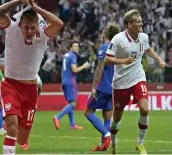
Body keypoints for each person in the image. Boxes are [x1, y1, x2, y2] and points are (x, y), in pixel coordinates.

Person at [0, 0, 63, 154]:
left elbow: (59, 24)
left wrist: (36, 8)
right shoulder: (11, 29)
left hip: (31, 91)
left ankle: (18, 134)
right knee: (12, 127)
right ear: (20, 25)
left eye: (33, 27)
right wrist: (19, 1)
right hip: (10, 85)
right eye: (26, 27)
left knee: (22, 139)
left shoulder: (44, 34)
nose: (29, 31)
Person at [105, 9, 166, 154]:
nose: (142, 23)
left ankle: (140, 143)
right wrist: (122, 61)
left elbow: (148, 49)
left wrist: (159, 59)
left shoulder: (143, 37)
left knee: (145, 109)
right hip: (120, 82)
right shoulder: (118, 39)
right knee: (118, 115)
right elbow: (107, 59)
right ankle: (113, 139)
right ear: (130, 24)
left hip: (138, 77)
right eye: (138, 21)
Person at [84, 25, 120, 151]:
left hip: (103, 87)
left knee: (88, 112)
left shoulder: (104, 48)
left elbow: (100, 67)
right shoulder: (119, 49)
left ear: (106, 34)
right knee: (107, 116)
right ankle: (103, 144)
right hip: (114, 88)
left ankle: (107, 135)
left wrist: (94, 86)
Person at [52, 42, 90, 130]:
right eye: (75, 46)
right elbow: (74, 70)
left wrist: (62, 82)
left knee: (70, 103)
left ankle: (72, 124)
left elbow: (63, 70)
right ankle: (57, 117)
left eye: (77, 46)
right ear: (70, 48)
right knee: (73, 103)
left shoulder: (65, 56)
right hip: (70, 82)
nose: (77, 48)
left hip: (65, 81)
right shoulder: (73, 56)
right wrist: (84, 66)